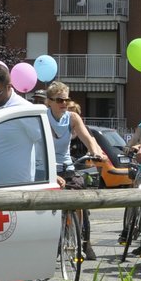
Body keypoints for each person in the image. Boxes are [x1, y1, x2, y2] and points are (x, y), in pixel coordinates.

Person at [39, 81, 103, 259]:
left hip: (66, 166)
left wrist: (96, 152)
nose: (64, 104)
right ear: (49, 101)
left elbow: (87, 137)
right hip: (46, 167)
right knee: (45, 206)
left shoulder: (72, 118)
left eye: (66, 99)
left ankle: (79, 238)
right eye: (59, 100)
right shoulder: (42, 116)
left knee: (78, 200)